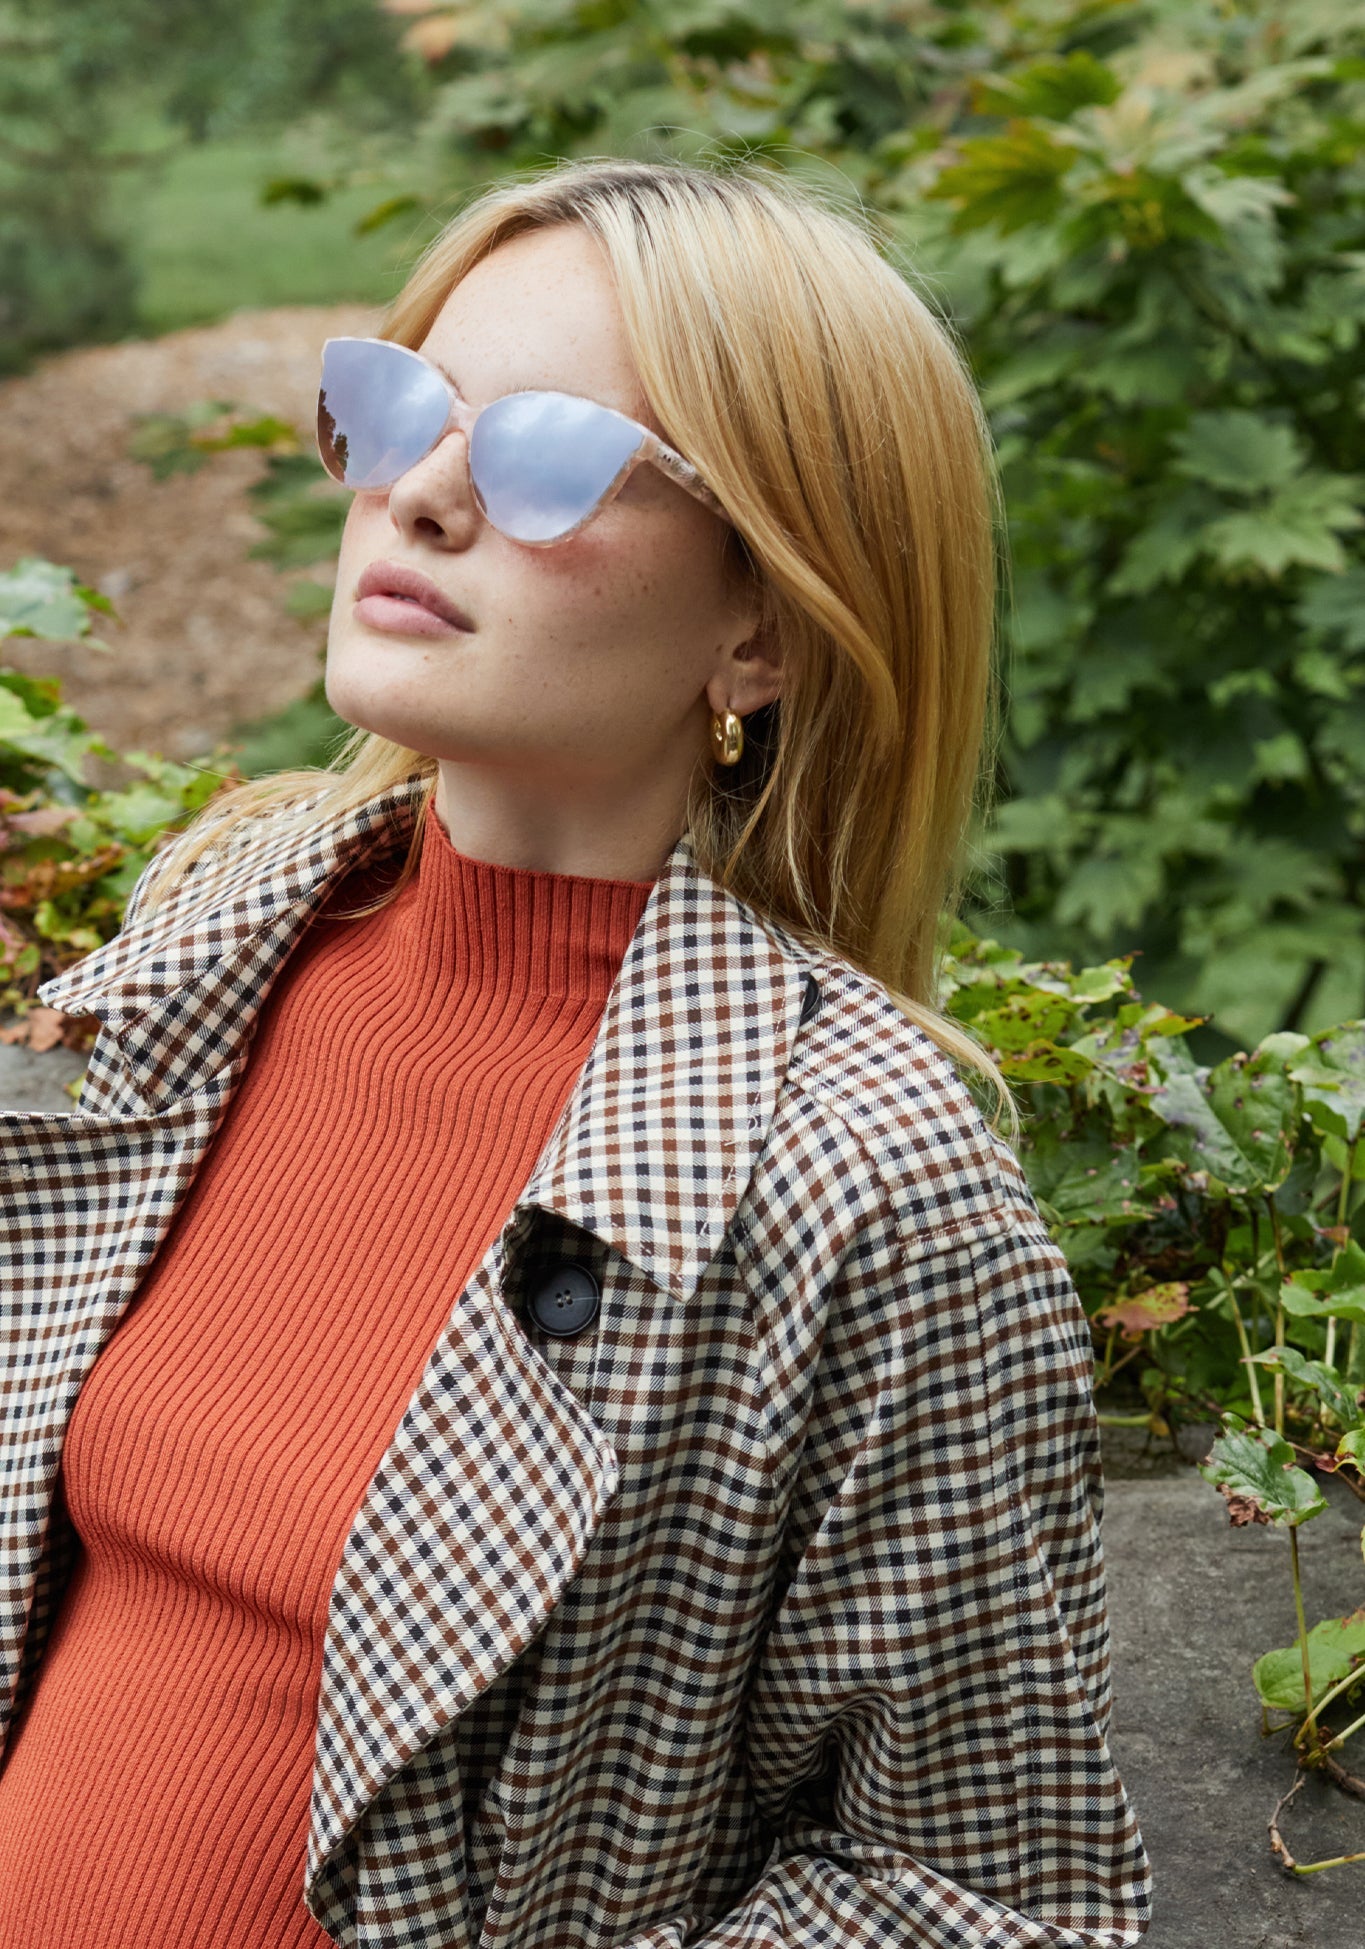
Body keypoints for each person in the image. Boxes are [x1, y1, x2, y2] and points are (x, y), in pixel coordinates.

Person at [0, 154, 1153, 1948]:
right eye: (399, 409)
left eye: (546, 452)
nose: (420, 492)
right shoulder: (217, 934)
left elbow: (981, 1893)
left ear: (760, 628)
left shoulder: (861, 1175)